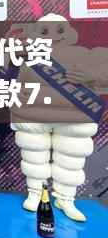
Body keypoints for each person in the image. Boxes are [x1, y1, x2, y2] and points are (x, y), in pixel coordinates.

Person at [11, 14, 108, 222]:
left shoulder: (83, 56)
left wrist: (91, 76)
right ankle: (36, 193)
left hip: (73, 118)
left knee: (70, 161)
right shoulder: (30, 60)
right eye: (45, 31)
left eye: (59, 30)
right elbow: (19, 87)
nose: (53, 35)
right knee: (34, 157)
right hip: (34, 117)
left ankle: (66, 198)